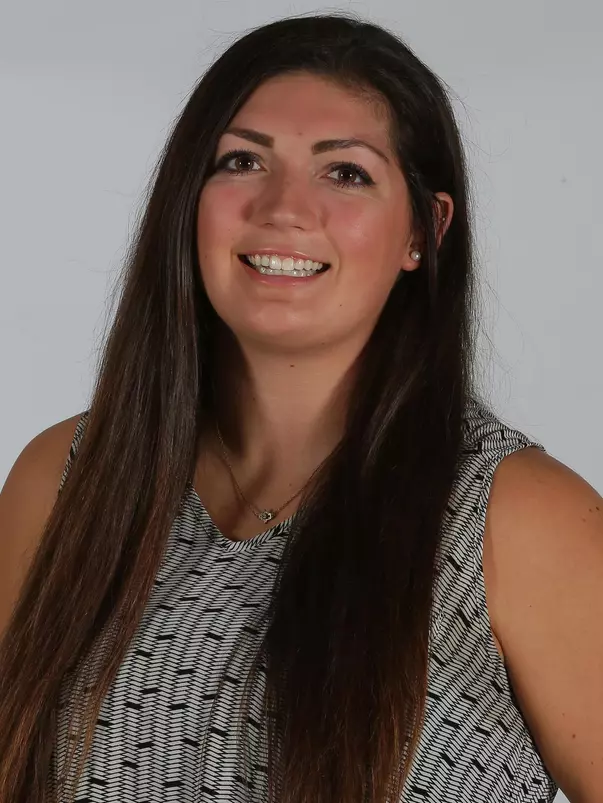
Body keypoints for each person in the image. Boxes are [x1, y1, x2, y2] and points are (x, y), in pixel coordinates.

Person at [0, 12, 601, 803]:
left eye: (345, 172)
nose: (283, 207)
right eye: (242, 160)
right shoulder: (66, 481)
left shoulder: (516, 518)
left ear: (423, 230)